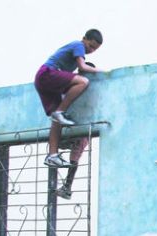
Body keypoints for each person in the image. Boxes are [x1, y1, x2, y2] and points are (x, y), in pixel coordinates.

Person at [34, 29, 104, 168]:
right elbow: (82, 66)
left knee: (56, 121)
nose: (90, 50)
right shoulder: (78, 45)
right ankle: (61, 111)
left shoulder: (79, 48)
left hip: (45, 81)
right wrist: (102, 71)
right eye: (90, 46)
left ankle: (52, 156)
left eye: (94, 49)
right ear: (84, 38)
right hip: (47, 73)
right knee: (83, 82)